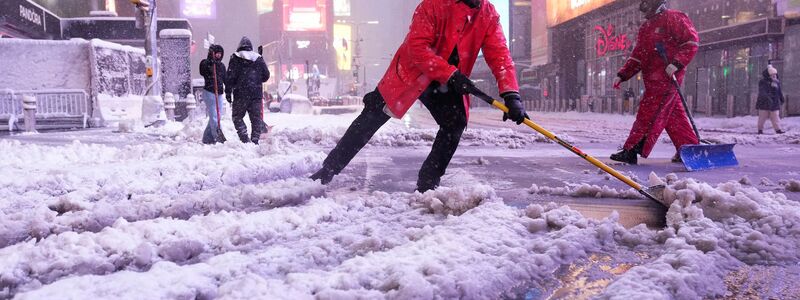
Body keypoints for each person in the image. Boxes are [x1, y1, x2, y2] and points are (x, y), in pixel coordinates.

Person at [310, 0, 527, 192]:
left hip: (447, 81)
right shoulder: (433, 4)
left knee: (455, 122)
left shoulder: (488, 14)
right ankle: (328, 170)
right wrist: (450, 74)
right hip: (412, 73)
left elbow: (500, 56)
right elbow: (417, 48)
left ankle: (428, 182)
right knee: (372, 116)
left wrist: (511, 95)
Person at [611, 0, 699, 164]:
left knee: (650, 111)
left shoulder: (674, 18)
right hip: (652, 78)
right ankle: (689, 149)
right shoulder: (646, 27)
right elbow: (638, 55)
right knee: (673, 116)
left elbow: (691, 42)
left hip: (667, 76)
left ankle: (632, 149)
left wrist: (677, 63)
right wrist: (623, 74)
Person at [225, 36, 270, 144]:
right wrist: (257, 76)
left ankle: (244, 138)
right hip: (256, 95)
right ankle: (255, 140)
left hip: (240, 95)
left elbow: (230, 77)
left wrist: (228, 92)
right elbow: (266, 76)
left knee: (237, 117)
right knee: (256, 119)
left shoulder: (235, 58)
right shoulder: (258, 58)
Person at [199, 44, 226, 144]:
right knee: (214, 116)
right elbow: (202, 71)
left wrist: (229, 89)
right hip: (209, 92)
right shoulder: (205, 63)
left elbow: (225, 79)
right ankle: (218, 137)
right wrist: (210, 62)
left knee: (217, 116)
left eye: (220, 54)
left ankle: (207, 138)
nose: (218, 56)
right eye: (216, 53)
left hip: (219, 93)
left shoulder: (221, 66)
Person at [756, 65, 785, 134]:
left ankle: (778, 129)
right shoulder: (763, 82)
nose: (774, 76)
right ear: (768, 75)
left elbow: (779, 91)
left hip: (774, 102)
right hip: (764, 103)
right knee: (762, 117)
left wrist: (781, 97)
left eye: (775, 74)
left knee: (775, 117)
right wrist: (768, 98)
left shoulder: (776, 82)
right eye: (772, 74)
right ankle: (760, 129)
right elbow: (762, 92)